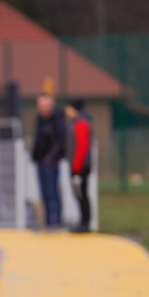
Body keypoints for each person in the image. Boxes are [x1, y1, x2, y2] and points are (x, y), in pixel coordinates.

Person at [31, 93, 66, 229]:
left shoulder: (58, 118)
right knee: (44, 192)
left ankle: (56, 220)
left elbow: (60, 140)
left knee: (53, 191)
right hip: (40, 160)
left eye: (44, 105)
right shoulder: (40, 119)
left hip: (51, 161)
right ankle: (47, 221)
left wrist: (51, 156)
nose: (42, 108)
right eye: (40, 105)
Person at [65, 99, 93, 233]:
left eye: (68, 108)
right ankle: (83, 221)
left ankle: (85, 223)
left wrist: (76, 168)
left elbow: (82, 148)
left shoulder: (81, 124)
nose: (66, 111)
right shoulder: (78, 123)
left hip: (80, 167)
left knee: (82, 195)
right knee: (80, 194)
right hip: (78, 167)